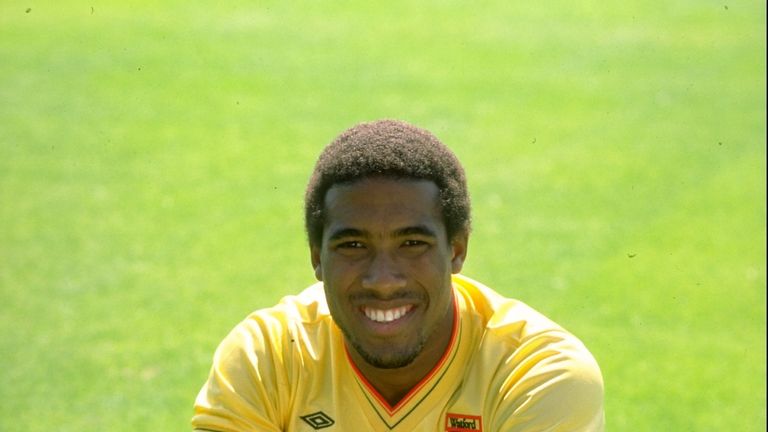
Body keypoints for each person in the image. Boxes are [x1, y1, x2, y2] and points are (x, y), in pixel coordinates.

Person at [192, 119, 604, 431]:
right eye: (353, 245)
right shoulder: (268, 354)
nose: (383, 280)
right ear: (317, 257)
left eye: (412, 244)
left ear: (457, 250)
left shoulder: (538, 372)